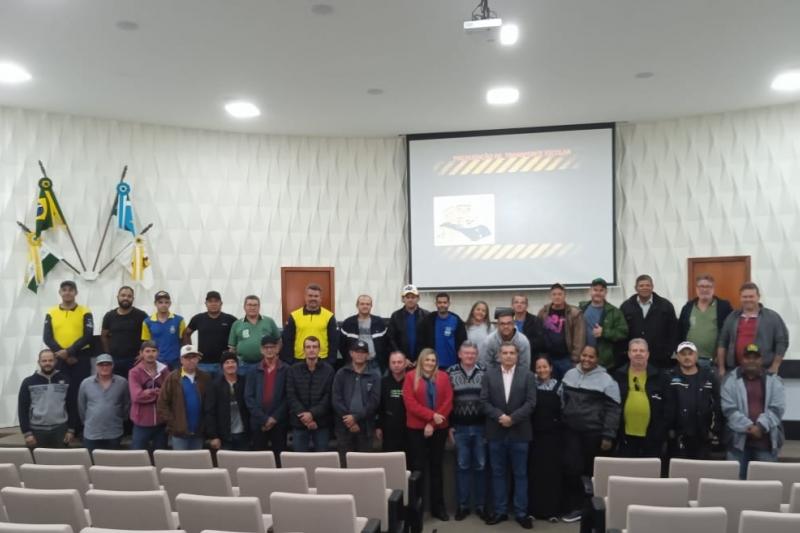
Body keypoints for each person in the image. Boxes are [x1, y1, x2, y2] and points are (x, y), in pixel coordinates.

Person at [560, 345, 621, 523]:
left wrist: (608, 436)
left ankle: (590, 510)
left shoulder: (607, 381)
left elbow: (613, 410)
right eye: (584, 355)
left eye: (591, 357)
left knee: (589, 473)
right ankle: (576, 507)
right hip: (571, 432)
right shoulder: (569, 375)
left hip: (593, 435)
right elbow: (562, 400)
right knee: (572, 469)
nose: (587, 359)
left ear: (597, 359)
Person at [481, 342, 537, 529]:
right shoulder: (489, 375)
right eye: (504, 353)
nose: (508, 356)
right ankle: (500, 511)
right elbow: (484, 401)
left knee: (520, 474)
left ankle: (521, 513)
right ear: (499, 355)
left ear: (518, 355)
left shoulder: (528, 375)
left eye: (512, 353)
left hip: (520, 432)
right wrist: (500, 417)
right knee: (498, 474)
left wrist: (512, 419)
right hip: (496, 431)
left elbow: (531, 403)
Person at [721, 343, 785, 479]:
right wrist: (749, 427)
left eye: (755, 358)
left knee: (767, 487)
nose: (751, 361)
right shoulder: (730, 380)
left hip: (766, 443)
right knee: (735, 487)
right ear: (742, 359)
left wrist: (760, 427)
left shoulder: (774, 381)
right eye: (747, 357)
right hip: (737, 445)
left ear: (761, 360)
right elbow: (729, 410)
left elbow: (777, 408)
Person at [403, 348, 453, 522]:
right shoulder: (410, 377)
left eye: (433, 360)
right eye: (427, 360)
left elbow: (448, 402)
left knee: (436, 468)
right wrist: (431, 416)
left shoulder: (444, 377)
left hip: (439, 429)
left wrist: (432, 424)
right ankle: (417, 509)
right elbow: (410, 403)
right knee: (417, 469)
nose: (430, 363)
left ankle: (438, 508)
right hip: (416, 428)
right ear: (421, 360)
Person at [446, 341, 487, 522]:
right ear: (459, 354)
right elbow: (446, 401)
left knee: (480, 467)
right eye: (466, 353)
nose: (469, 356)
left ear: (476, 355)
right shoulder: (450, 372)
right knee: (462, 467)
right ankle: (462, 506)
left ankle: (481, 506)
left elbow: (490, 400)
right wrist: (449, 425)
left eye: (473, 353)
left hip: (480, 428)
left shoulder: (485, 372)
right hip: (460, 428)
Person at [43, 280, 94, 421]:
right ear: (60, 292)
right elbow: (47, 337)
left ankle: (78, 426)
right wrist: (64, 354)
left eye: (70, 290)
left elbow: (88, 335)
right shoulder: (51, 312)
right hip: (59, 358)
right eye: (64, 289)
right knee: (60, 392)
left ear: (76, 293)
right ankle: (63, 425)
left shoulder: (85, 311)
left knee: (80, 392)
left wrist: (70, 351)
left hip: (81, 357)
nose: (67, 292)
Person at [613, 338, 671, 458]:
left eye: (642, 350)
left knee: (650, 473)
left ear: (648, 354)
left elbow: (669, 406)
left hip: (653, 436)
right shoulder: (618, 375)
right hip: (624, 435)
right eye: (634, 350)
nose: (638, 353)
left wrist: (661, 430)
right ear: (629, 354)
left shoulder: (661, 377)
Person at [717, 282, 790, 377]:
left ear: (758, 297)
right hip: (735, 370)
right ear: (740, 298)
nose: (748, 299)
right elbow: (722, 342)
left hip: (764, 370)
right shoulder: (732, 317)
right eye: (745, 297)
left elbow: (782, 342)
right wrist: (721, 368)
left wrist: (775, 366)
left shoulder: (772, 317)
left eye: (751, 296)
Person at [667, 341, 721, 460]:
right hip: (678, 435)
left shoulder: (709, 376)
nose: (687, 357)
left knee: (700, 471)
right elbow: (666, 406)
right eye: (683, 354)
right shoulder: (669, 377)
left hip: (703, 434)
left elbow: (717, 404)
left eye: (690, 354)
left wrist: (714, 429)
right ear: (677, 356)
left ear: (696, 356)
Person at [332, 340, 381, 464]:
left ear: (368, 355)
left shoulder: (374, 375)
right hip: (344, 427)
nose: (359, 355)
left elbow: (374, 402)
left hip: (365, 428)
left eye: (363, 352)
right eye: (356, 352)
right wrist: (349, 421)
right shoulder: (341, 373)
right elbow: (336, 399)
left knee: (364, 465)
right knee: (345, 465)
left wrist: (356, 418)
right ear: (351, 353)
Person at [18, 349, 77, 448]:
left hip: (60, 430)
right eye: (44, 361)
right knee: (38, 463)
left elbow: (72, 407)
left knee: (62, 462)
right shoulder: (28, 382)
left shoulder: (66, 380)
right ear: (39, 362)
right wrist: (27, 433)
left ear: (55, 361)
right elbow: (22, 409)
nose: (47, 363)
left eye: (50, 360)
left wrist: (71, 430)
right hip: (37, 431)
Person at [156, 345, 212, 450]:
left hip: (199, 432)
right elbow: (162, 404)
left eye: (194, 357)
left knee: (197, 463)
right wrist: (173, 423)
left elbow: (210, 404)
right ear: (181, 360)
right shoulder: (172, 378)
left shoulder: (205, 377)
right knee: (180, 464)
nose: (191, 361)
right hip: (179, 434)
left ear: (198, 359)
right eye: (187, 358)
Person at [286, 336, 336, 452]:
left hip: (321, 423)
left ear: (319, 350)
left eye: (315, 347)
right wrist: (305, 417)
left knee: (322, 461)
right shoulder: (293, 370)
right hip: (299, 422)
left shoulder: (329, 370)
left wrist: (312, 415)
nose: (311, 349)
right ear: (303, 350)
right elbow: (291, 395)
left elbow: (328, 397)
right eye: (308, 347)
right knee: (299, 462)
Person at [528, 356, 563, 523]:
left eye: (544, 367)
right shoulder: (531, 385)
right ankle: (533, 510)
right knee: (534, 472)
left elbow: (564, 409)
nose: (542, 370)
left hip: (553, 437)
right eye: (538, 367)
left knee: (552, 473)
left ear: (551, 367)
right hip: (534, 436)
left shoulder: (560, 386)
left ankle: (552, 511)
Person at [244, 334, 289, 461]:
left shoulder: (286, 369)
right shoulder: (253, 371)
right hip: (258, 422)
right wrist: (264, 419)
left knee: (280, 459)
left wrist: (274, 418)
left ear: (278, 348)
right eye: (266, 347)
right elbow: (248, 397)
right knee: (260, 460)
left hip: (279, 422)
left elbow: (288, 397)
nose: (269, 350)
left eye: (272, 347)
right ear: (261, 350)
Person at [620, 275, 679, 369]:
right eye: (641, 285)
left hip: (659, 358)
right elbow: (621, 331)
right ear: (636, 288)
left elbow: (674, 330)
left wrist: (668, 351)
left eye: (648, 285)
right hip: (634, 358)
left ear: (652, 287)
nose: (645, 288)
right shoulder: (626, 306)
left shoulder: (665, 306)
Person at [678, 275, 733, 368]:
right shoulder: (688, 307)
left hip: (714, 362)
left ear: (713, 288)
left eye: (708, 286)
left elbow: (730, 332)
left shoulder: (724, 307)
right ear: (696, 288)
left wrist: (722, 356)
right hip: (690, 361)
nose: (704, 289)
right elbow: (679, 331)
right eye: (701, 286)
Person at [77, 354, 130, 452]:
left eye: (108, 364)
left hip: (114, 432)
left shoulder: (122, 382)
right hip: (92, 433)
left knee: (112, 464)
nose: (105, 367)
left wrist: (121, 419)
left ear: (113, 365)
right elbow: (81, 406)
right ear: (96, 366)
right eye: (101, 365)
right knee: (92, 464)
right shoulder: (85, 383)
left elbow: (126, 404)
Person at [537, 283, 585, 379]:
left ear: (564, 295)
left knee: (568, 385)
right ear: (550, 296)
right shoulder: (543, 312)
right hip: (548, 358)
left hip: (566, 359)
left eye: (560, 294)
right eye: (554, 294)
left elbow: (579, 337)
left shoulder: (574, 313)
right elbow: (538, 332)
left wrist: (575, 359)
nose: (557, 297)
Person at [281, 284, 339, 365]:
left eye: (316, 296)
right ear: (305, 297)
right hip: (299, 360)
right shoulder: (294, 316)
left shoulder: (329, 316)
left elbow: (334, 341)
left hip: (322, 360)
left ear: (320, 298)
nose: (313, 298)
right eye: (310, 295)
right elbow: (287, 341)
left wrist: (330, 361)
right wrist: (290, 361)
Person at [128, 340, 170, 451]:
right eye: (147, 351)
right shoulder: (134, 372)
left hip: (161, 423)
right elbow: (136, 396)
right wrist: (157, 393)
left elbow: (169, 394)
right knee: (138, 457)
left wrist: (148, 392)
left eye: (153, 351)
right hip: (141, 423)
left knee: (161, 457)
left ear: (158, 353)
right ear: (141, 353)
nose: (150, 354)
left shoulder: (164, 370)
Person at [578, 278, 629, 369]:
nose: (598, 293)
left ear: (606, 292)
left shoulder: (614, 312)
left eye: (601, 290)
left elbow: (623, 333)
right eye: (595, 290)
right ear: (590, 291)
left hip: (604, 362)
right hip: (583, 359)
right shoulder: (581, 309)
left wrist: (604, 332)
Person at [184, 291, 236, 377]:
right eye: (210, 301)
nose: (213, 304)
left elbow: (239, 334)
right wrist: (191, 351)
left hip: (224, 364)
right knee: (204, 390)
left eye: (216, 301)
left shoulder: (230, 319)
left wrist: (234, 351)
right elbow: (186, 333)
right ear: (206, 303)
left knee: (222, 390)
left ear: (221, 303)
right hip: (203, 364)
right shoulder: (198, 318)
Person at [205, 351, 250, 451]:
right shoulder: (214, 385)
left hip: (244, 435)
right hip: (224, 436)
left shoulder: (245, 382)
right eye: (227, 362)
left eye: (233, 362)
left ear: (237, 365)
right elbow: (210, 412)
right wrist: (213, 436)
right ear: (222, 367)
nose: (230, 365)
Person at [101, 285, 148, 378]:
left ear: (133, 299)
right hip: (115, 360)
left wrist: (143, 354)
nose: (126, 298)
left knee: (134, 389)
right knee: (117, 389)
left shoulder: (141, 315)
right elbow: (104, 336)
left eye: (129, 296)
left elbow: (148, 336)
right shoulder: (109, 316)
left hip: (135, 360)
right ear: (118, 297)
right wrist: (108, 354)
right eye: (123, 295)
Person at [228, 295, 280, 375]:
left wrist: (274, 356)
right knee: (244, 387)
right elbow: (232, 348)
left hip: (265, 364)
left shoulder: (269, 321)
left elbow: (278, 341)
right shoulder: (237, 324)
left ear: (259, 307)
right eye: (249, 305)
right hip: (243, 366)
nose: (252, 308)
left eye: (255, 305)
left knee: (263, 387)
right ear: (244, 307)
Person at [338, 294, 390, 374]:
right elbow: (341, 345)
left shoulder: (379, 322)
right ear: (357, 305)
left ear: (371, 306)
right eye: (362, 304)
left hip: (375, 364)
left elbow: (386, 343)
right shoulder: (348, 323)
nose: (365, 306)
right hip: (354, 364)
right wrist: (350, 359)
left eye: (367, 304)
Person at [416, 292, 467, 369]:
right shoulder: (428, 320)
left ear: (449, 303)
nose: (442, 305)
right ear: (436, 304)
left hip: (453, 364)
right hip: (433, 365)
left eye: (444, 302)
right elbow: (421, 341)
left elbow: (463, 342)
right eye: (439, 302)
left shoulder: (456, 320)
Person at [141, 291, 186, 370]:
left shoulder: (179, 320)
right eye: (160, 302)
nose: (163, 305)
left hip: (176, 361)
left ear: (170, 303)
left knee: (176, 382)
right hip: (156, 362)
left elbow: (184, 341)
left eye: (166, 302)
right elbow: (146, 343)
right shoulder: (147, 322)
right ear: (155, 303)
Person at [387, 284, 429, 364]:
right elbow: (391, 339)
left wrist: (421, 358)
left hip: (422, 361)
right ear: (403, 299)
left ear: (418, 298)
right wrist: (402, 358)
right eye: (407, 297)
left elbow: (429, 339)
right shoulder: (396, 316)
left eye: (413, 297)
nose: (410, 300)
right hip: (402, 362)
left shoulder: (426, 315)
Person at [376, 351, 409, 454]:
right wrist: (378, 427)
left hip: (409, 428)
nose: (396, 365)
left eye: (399, 362)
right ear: (389, 364)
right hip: (389, 428)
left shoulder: (412, 381)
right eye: (393, 362)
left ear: (405, 363)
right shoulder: (383, 382)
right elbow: (379, 407)